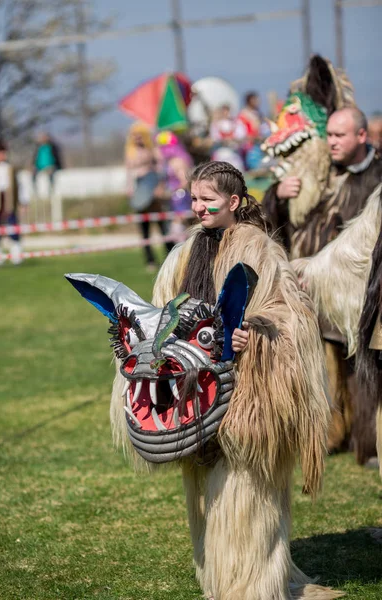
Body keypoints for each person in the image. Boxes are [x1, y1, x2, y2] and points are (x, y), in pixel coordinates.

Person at [108, 161, 338, 599]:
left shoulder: (260, 250)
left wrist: (253, 330)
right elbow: (165, 312)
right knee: (206, 500)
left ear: (233, 201)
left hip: (248, 399)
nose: (198, 207)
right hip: (194, 399)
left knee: (246, 500)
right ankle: (219, 584)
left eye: (207, 199)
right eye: (193, 199)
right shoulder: (183, 253)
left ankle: (255, 587)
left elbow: (292, 315)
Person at [263, 106, 382, 465]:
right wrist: (278, 194)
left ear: (361, 136)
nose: (331, 142)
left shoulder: (379, 174)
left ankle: (370, 441)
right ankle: (331, 435)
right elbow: (286, 220)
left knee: (365, 366)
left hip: (365, 291)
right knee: (326, 368)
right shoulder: (321, 172)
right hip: (315, 286)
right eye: (328, 135)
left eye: (339, 136)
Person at [125, 122, 174, 272]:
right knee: (144, 229)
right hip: (139, 190)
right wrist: (129, 189)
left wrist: (160, 186)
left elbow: (160, 168)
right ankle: (150, 260)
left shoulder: (153, 150)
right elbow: (128, 171)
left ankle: (171, 256)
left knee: (162, 226)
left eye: (140, 135)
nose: (137, 138)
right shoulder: (130, 152)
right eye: (135, 136)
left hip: (153, 188)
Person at [0, 139, 30, 266]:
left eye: (4, 153)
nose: (2, 156)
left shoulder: (11, 168)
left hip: (9, 201)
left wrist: (24, 202)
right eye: (0, 153)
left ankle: (16, 256)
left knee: (12, 227)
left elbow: (19, 186)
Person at [209, 104, 246, 170]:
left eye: (227, 111)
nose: (226, 113)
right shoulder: (215, 124)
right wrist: (224, 140)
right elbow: (214, 139)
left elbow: (242, 137)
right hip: (221, 154)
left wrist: (233, 140)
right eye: (224, 111)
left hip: (235, 154)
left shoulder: (237, 123)